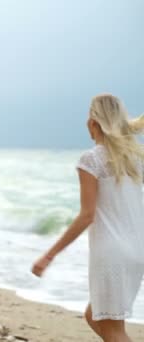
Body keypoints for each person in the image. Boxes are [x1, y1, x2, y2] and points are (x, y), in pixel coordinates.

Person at [31, 94, 144, 342]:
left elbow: (86, 215)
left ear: (94, 122)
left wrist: (49, 255)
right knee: (94, 317)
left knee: (114, 330)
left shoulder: (91, 159)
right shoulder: (137, 160)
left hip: (112, 253)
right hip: (136, 252)